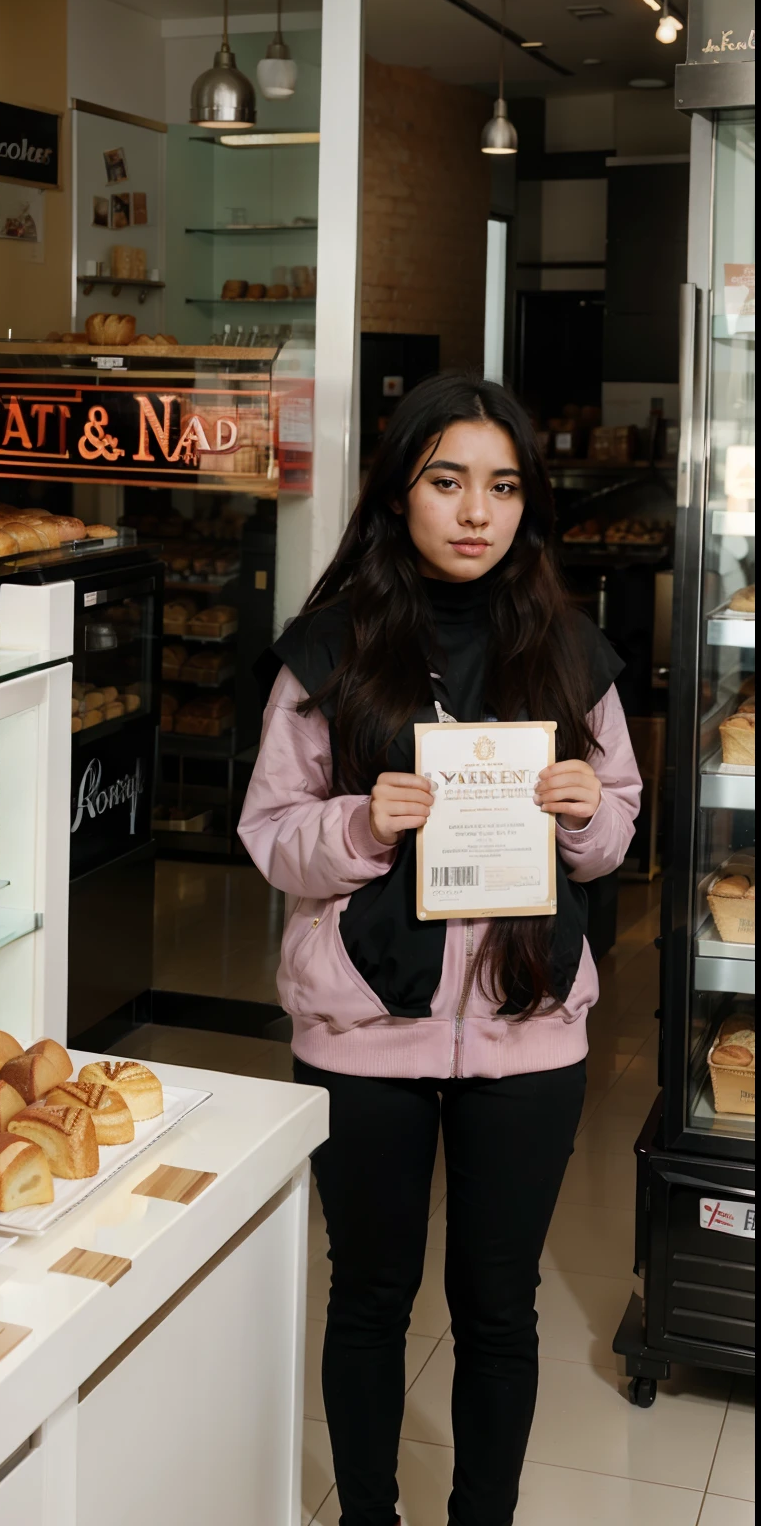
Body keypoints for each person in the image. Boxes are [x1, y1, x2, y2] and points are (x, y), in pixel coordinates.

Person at [238, 374, 641, 1526]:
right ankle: (367, 1515)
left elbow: (612, 834)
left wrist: (580, 814)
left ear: (526, 505)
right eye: (446, 481)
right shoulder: (326, 653)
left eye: (502, 486)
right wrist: (362, 825)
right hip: (364, 1038)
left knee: (497, 1310)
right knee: (367, 1301)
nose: (476, 512)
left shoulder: (572, 655)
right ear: (396, 495)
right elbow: (270, 838)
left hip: (527, 1032)